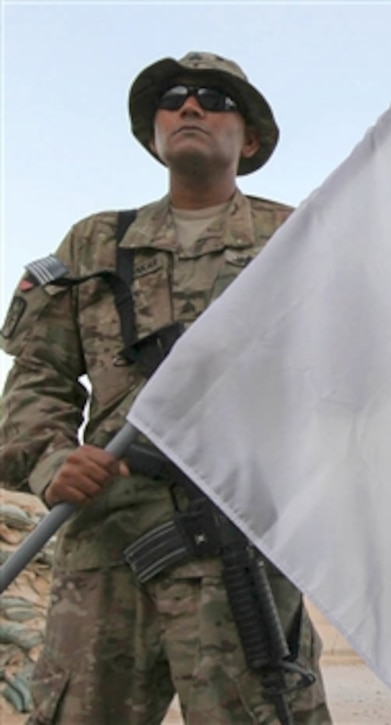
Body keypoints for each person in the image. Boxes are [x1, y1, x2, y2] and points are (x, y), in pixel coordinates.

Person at [0, 52, 329, 723]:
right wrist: (54, 461)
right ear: (153, 133)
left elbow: (349, 376)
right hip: (106, 550)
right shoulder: (94, 244)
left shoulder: (296, 240)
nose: (190, 106)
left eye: (214, 97)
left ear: (252, 137)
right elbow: (36, 384)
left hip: (240, 548)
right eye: (174, 96)